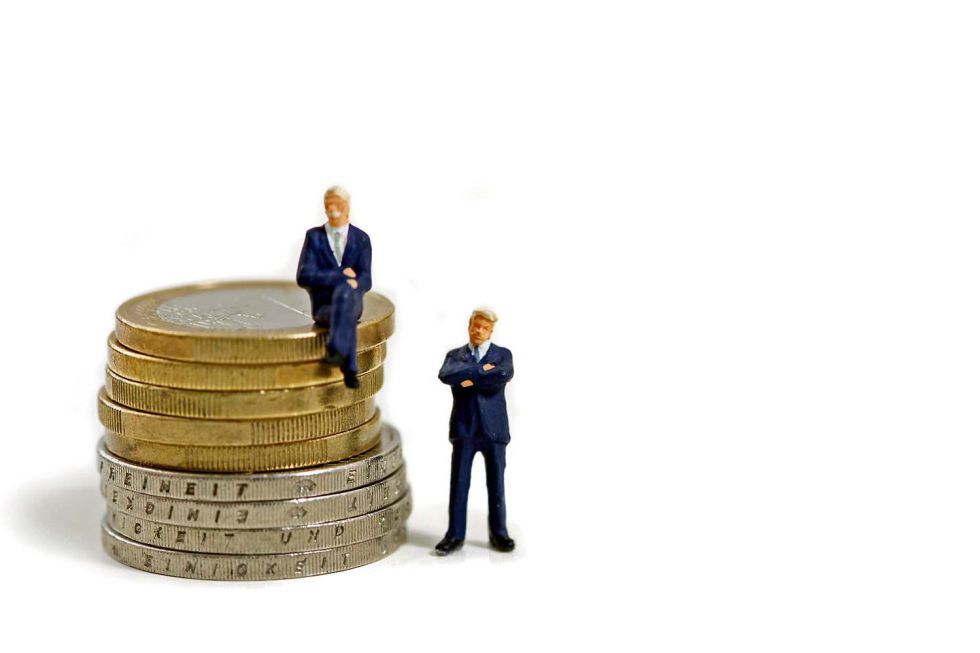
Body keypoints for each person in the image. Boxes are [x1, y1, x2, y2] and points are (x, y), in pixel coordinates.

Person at [435, 308, 516, 555]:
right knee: (459, 484)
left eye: (484, 328)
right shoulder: (455, 355)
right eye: (476, 326)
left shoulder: (502, 355)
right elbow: (446, 375)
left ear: (491, 331)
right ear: (469, 325)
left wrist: (469, 378)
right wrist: (483, 372)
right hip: (464, 428)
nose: (479, 331)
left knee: (496, 484)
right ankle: (455, 534)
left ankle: (499, 533)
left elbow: (504, 373)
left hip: (494, 430)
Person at [296, 186, 372, 389]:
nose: (332, 208)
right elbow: (304, 275)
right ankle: (350, 367)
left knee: (345, 295)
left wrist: (356, 283)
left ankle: (337, 350)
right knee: (345, 300)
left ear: (347, 207)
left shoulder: (361, 239)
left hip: (353, 303)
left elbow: (366, 279)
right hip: (324, 308)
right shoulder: (314, 237)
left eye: (337, 203)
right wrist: (341, 276)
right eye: (328, 203)